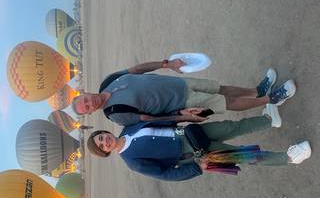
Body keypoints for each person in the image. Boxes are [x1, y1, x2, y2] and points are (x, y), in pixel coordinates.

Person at [86, 113, 311, 182]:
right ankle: (289, 158)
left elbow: (159, 122)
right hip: (195, 152)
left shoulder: (128, 129)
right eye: (102, 145)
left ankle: (268, 119)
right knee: (244, 155)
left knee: (231, 126)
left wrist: (184, 118)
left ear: (105, 133)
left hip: (189, 132)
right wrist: (197, 167)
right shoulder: (132, 161)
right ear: (105, 152)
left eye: (102, 137)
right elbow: (166, 174)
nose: (105, 141)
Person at [72, 60, 294, 127]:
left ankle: (257, 90)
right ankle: (271, 99)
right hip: (183, 102)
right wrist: (184, 116)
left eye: (85, 100)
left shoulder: (108, 81)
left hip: (179, 83)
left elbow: (137, 70)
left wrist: (166, 64)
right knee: (225, 102)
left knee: (220, 88)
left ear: (85, 93)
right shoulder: (115, 114)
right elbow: (150, 120)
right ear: (91, 113)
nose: (90, 102)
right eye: (87, 107)